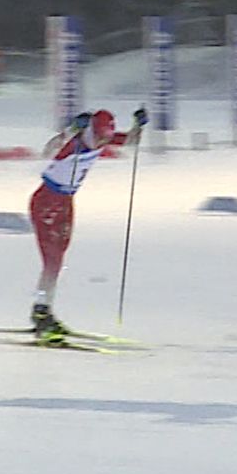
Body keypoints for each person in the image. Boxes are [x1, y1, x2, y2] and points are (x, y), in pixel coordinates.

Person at [28, 106, 148, 342]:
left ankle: (43, 309)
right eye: (100, 136)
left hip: (65, 202)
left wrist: (138, 124)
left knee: (57, 260)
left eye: (106, 137)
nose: (103, 141)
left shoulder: (101, 139)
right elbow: (49, 150)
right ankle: (41, 312)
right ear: (91, 131)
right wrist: (72, 128)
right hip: (46, 202)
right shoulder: (75, 142)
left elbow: (131, 141)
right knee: (51, 260)